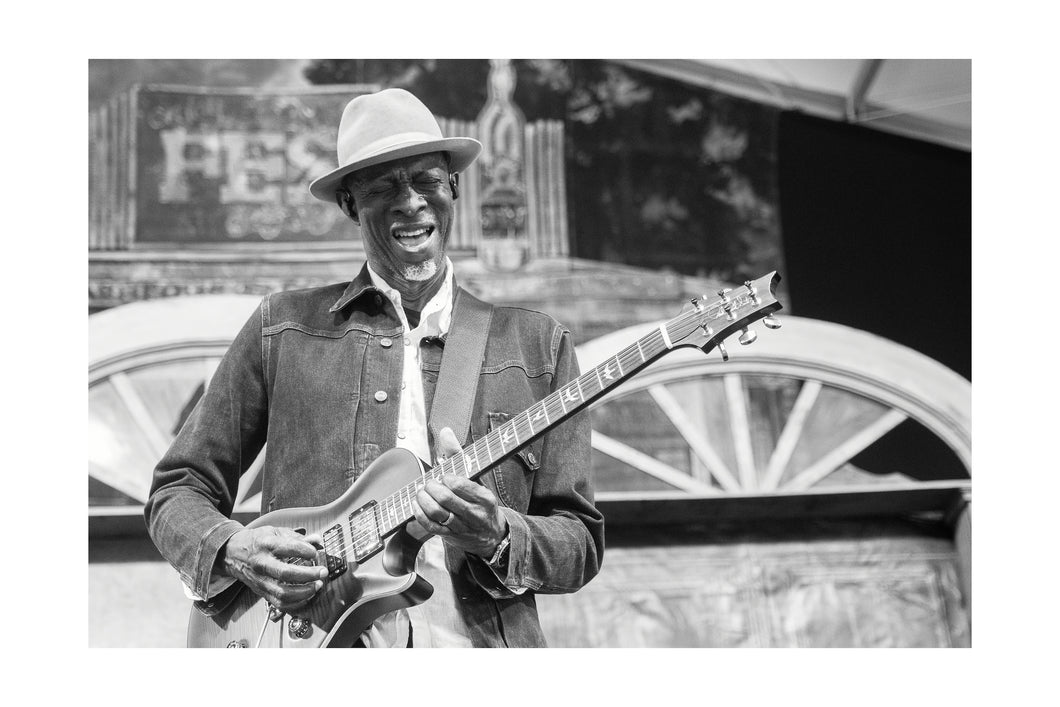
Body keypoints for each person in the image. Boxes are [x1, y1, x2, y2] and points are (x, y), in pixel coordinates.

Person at [144, 88, 604, 647]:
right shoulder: (282, 327)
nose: (411, 202)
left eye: (428, 181)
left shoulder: (537, 344)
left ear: (453, 187)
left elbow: (579, 543)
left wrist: (498, 534)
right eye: (385, 186)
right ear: (349, 204)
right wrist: (235, 550)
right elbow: (179, 488)